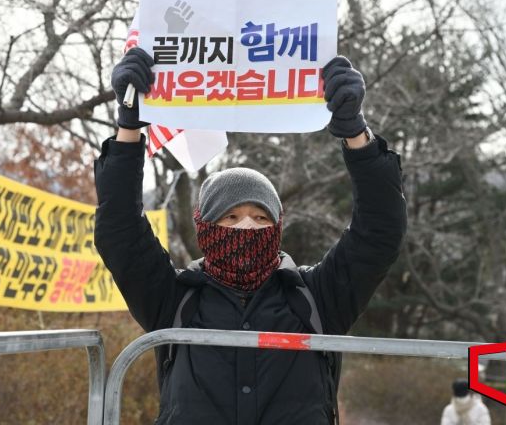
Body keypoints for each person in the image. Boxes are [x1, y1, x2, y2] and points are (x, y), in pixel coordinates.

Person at [94, 47, 407, 424]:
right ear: (205, 227)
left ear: (277, 228)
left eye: (260, 217)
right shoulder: (172, 300)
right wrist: (129, 128)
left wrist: (356, 133)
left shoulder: (318, 299)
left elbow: (380, 233)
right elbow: (120, 233)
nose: (247, 227)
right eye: (231, 216)